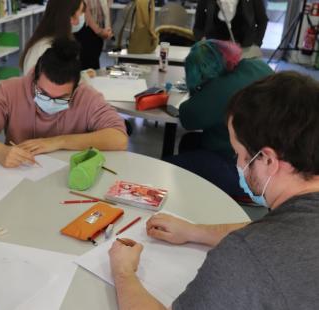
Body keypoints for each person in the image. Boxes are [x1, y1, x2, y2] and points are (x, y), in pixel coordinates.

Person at [109, 71, 319, 309]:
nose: (237, 164)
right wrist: (196, 232)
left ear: (268, 160)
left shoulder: (244, 258)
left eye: (238, 154)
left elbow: (261, 244)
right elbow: (280, 234)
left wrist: (123, 272)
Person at [0, 38, 127, 168]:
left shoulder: (87, 97)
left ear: (76, 88)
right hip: (18, 176)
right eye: (43, 93)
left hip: (68, 177)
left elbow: (119, 138)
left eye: (62, 97)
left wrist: (58, 142)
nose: (51, 102)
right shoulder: (10, 90)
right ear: (33, 78)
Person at [163, 39, 273, 198]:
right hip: (269, 162)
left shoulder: (219, 90)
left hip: (242, 170)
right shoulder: (258, 66)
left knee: (166, 167)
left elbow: (187, 118)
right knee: (189, 142)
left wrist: (199, 90)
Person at [19, 0, 85, 74]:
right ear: (65, 17)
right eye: (80, 13)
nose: (79, 20)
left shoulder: (62, 41)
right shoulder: (43, 49)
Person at [193, 0, 268, 58]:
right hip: (214, 52)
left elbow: (262, 21)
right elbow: (198, 26)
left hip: (245, 50)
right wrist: (202, 41)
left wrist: (256, 43)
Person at [74, 0, 113, 70]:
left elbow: (106, 6)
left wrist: (107, 28)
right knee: (87, 65)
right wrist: (99, 31)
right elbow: (85, 12)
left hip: (98, 27)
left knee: (93, 63)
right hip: (85, 29)